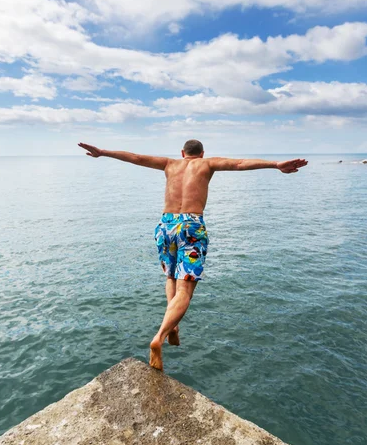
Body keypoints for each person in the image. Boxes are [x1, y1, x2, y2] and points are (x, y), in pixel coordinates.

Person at [78, 140, 308, 371]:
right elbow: (239, 164)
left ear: (182, 153)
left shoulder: (169, 164)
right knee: (185, 288)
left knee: (170, 278)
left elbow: (136, 158)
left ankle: (173, 327)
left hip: (166, 225)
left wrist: (103, 152)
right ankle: (158, 337)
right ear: (201, 153)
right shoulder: (207, 164)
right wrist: (276, 164)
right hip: (191, 226)